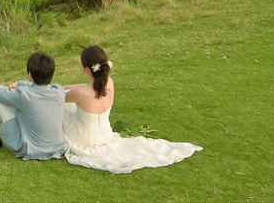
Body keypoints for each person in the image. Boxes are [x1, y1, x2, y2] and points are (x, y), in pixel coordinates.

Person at [63, 45, 202, 174]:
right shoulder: (109, 83)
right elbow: (88, 89)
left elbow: (59, 98)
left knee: (64, 107)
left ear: (86, 69)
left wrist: (61, 88)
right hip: (105, 134)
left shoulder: (81, 93)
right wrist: (70, 86)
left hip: (84, 139)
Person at [0, 51, 67, 160]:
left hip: (29, 149)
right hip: (57, 148)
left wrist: (10, 88)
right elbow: (39, 88)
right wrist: (21, 84)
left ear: (30, 74)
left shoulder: (24, 95)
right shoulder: (59, 91)